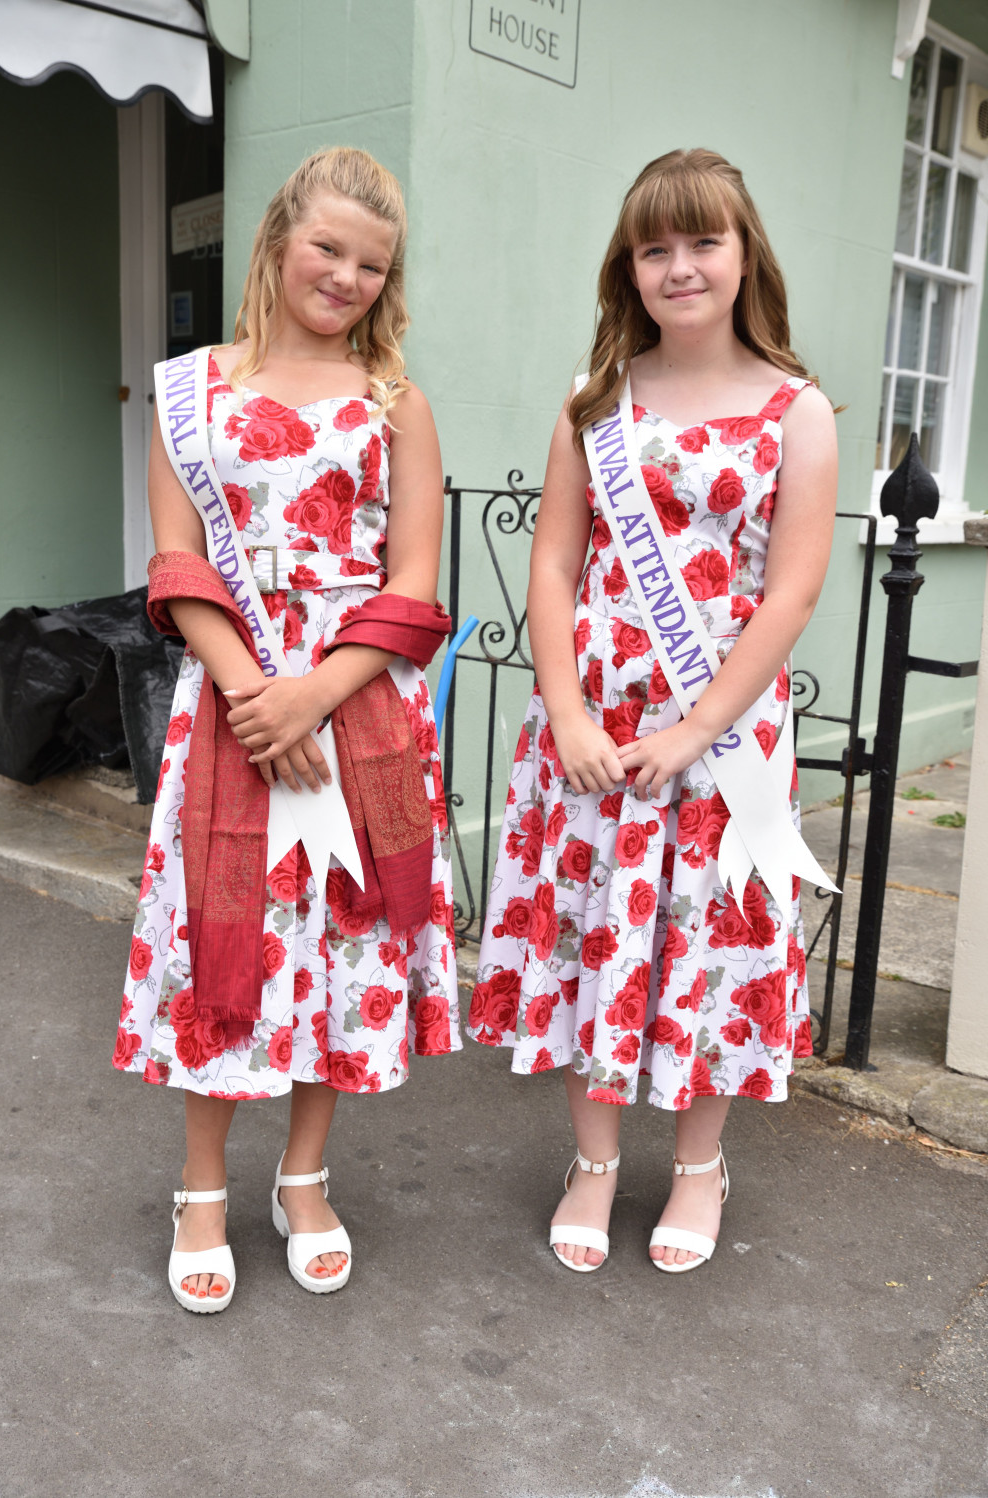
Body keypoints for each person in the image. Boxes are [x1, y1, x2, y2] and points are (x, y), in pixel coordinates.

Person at [470, 148, 837, 1274]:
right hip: (591, 733)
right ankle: (592, 1160)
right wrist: (568, 713)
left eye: (702, 242)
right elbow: (550, 566)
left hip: (718, 737)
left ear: (744, 255)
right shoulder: (597, 404)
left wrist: (691, 732)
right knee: (593, 928)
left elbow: (792, 589)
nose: (679, 266)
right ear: (627, 268)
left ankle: (695, 1165)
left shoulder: (796, 409)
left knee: (703, 946)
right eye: (654, 247)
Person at [113, 147, 461, 1312]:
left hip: (362, 713)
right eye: (327, 249)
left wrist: (315, 692)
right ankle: (202, 1187)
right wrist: (255, 692)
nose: (347, 277)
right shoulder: (189, 390)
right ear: (275, 241)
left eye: (372, 264)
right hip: (233, 711)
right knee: (227, 943)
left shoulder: (396, 403)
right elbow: (175, 562)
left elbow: (414, 581)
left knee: (345, 949)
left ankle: (304, 1179)